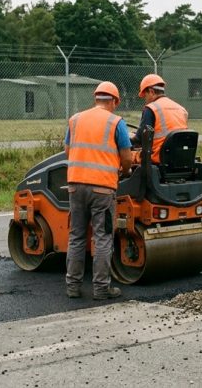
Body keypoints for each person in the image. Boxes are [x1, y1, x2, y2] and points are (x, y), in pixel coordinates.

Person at [64, 81, 132, 301]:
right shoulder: (116, 122)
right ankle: (101, 289)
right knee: (102, 237)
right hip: (102, 189)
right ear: (114, 101)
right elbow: (127, 156)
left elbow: (68, 151)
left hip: (75, 186)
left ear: (96, 98)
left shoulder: (75, 120)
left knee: (76, 237)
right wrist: (124, 171)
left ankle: (73, 287)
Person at [131, 74, 188, 164]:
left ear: (151, 92)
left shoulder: (151, 109)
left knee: (128, 157)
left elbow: (140, 139)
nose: (145, 100)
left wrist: (126, 140)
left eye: (145, 96)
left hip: (158, 159)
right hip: (179, 158)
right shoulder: (181, 109)